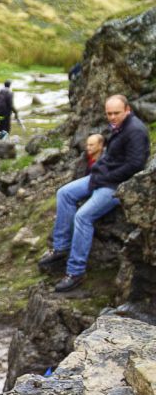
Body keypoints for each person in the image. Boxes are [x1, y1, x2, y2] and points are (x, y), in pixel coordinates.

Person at [40, 95, 150, 292]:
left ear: (127, 110)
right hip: (102, 177)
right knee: (64, 193)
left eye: (116, 113)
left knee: (83, 217)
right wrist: (98, 171)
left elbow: (135, 166)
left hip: (117, 185)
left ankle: (75, 272)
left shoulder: (136, 131)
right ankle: (61, 248)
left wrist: (105, 177)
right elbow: (111, 157)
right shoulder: (119, 127)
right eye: (109, 113)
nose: (112, 117)